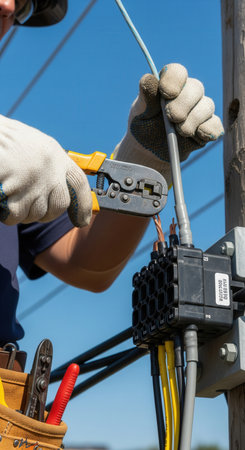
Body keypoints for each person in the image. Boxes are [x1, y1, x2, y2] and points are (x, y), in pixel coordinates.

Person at [0, 0, 224, 348]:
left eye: (24, 2)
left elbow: (87, 265)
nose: (8, 5)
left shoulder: (18, 162)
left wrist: (147, 162)